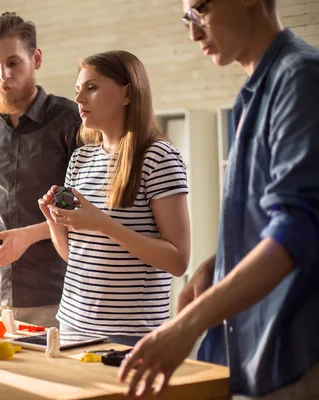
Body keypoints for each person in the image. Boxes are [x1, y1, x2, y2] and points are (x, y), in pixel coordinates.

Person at [118, 1, 319, 399]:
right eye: (186, 18)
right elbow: (262, 223)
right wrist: (219, 265)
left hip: (291, 355)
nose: (193, 32)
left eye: (202, 10)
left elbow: (298, 231)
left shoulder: (300, 79)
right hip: (252, 355)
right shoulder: (254, 92)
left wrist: (187, 325)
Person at [38, 50, 191, 346]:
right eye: (78, 91)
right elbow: (77, 257)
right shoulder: (80, 159)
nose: (80, 99)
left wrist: (103, 224)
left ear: (127, 93)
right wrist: (54, 221)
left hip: (131, 333)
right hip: (71, 323)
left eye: (91, 88)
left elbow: (178, 261)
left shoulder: (159, 158)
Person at [0, 12, 82, 328]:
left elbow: (86, 207)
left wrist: (28, 237)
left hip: (55, 297)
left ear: (36, 59)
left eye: (13, 62)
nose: (2, 74)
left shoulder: (70, 120)